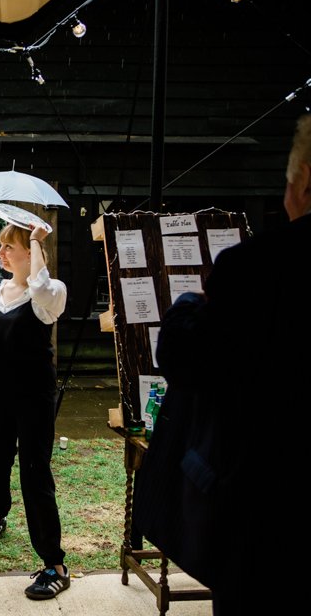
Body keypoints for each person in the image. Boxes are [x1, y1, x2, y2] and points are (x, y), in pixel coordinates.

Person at [151, 116, 311, 612]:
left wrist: (189, 307)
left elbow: (185, 359)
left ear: (303, 181)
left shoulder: (258, 266)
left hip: (266, 515)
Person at [0, 223, 69, 600]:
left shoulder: (50, 294)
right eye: (1, 247)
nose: (1, 253)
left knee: (35, 472)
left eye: (10, 247)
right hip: (1, 390)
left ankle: (55, 564)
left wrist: (37, 238)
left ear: (31, 253)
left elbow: (39, 286)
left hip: (35, 394)